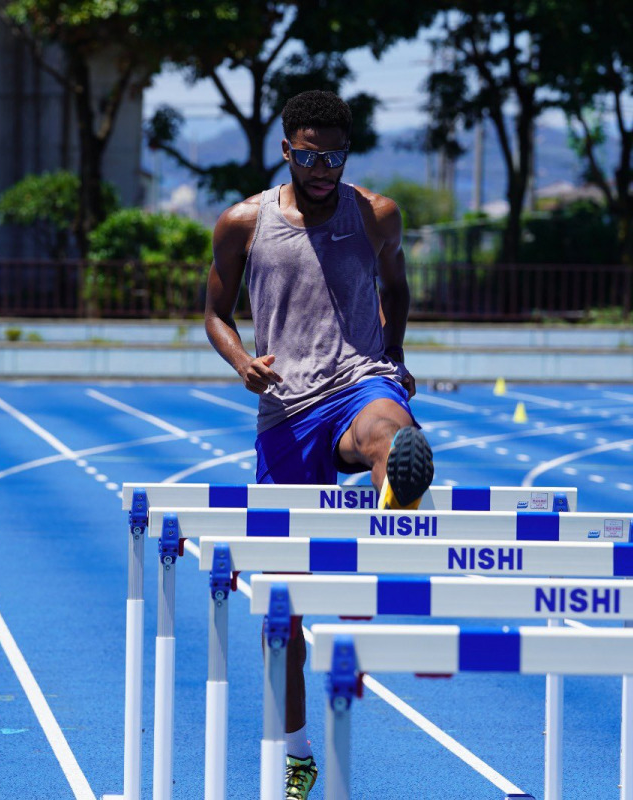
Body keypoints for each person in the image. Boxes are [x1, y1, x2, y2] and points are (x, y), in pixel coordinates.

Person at [204, 89, 434, 800]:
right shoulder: (244, 223)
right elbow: (213, 312)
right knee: (288, 608)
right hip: (285, 412)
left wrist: (393, 356)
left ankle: (374, 575)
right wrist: (244, 363)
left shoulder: (377, 215)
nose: (324, 166)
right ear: (286, 151)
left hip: (357, 381)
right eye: (310, 154)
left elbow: (397, 288)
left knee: (392, 436)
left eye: (335, 154)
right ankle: (297, 750)